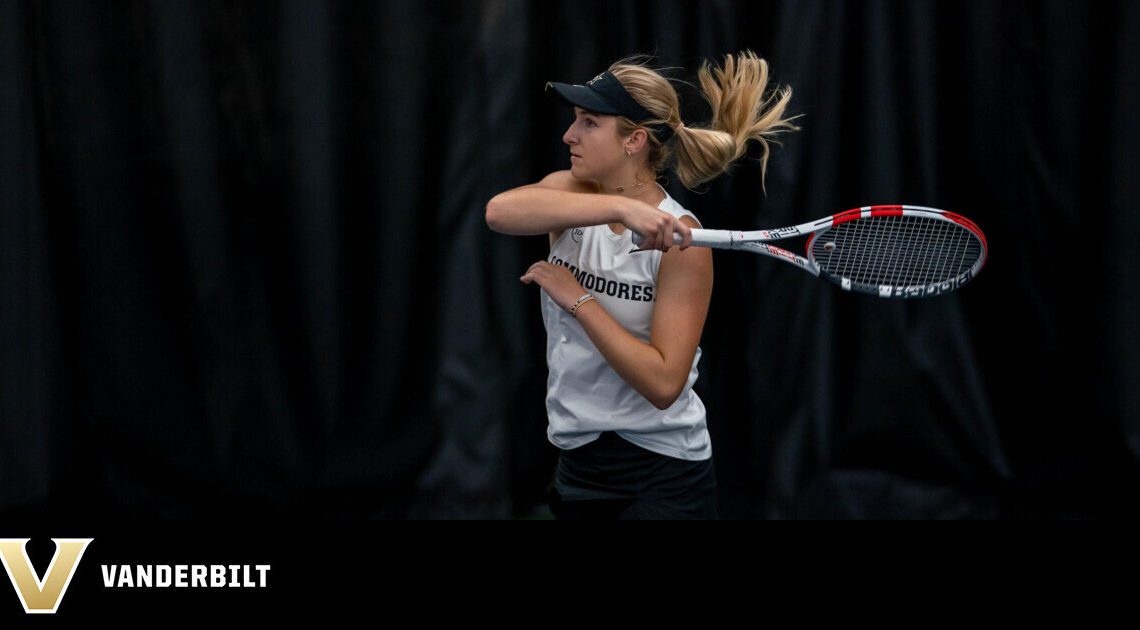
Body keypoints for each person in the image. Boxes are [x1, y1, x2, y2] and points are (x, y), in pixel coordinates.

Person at [485, 51, 798, 519]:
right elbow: (499, 212)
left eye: (589, 122)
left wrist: (580, 301)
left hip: (662, 475)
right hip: (578, 465)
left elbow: (663, 383)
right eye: (574, 120)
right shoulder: (569, 192)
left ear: (633, 140)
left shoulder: (682, 239)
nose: (570, 135)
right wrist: (620, 209)